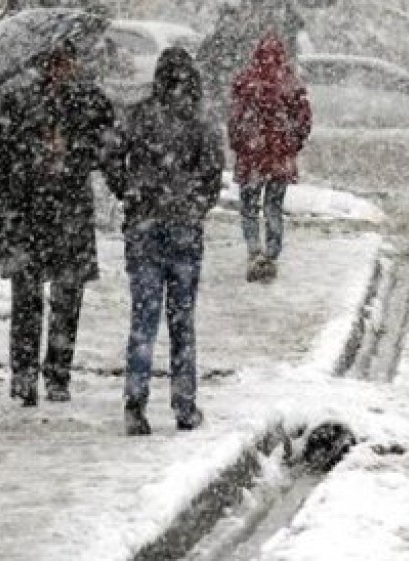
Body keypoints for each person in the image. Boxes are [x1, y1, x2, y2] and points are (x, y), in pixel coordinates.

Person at [103, 47, 224, 436]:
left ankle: (135, 402)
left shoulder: (138, 115)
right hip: (184, 231)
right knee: (182, 321)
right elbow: (213, 172)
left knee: (144, 319)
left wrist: (129, 191)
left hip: (143, 229)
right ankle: (184, 404)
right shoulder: (201, 120)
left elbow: (110, 157)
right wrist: (195, 204)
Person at [0, 41, 114, 406]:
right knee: (27, 298)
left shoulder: (89, 102)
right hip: (31, 210)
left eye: (67, 62)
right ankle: (25, 375)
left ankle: (57, 374)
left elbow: (103, 145)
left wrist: (73, 152)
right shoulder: (19, 101)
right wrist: (37, 153)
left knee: (67, 298)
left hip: (69, 210)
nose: (61, 69)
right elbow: (5, 155)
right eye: (55, 63)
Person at [227, 30, 312, 283]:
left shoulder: (246, 83)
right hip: (278, 159)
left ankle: (254, 251)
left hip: (252, 158)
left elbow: (235, 120)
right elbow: (304, 120)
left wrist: (240, 146)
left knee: (249, 208)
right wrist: (292, 145)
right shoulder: (291, 84)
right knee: (273, 207)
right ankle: (272, 254)